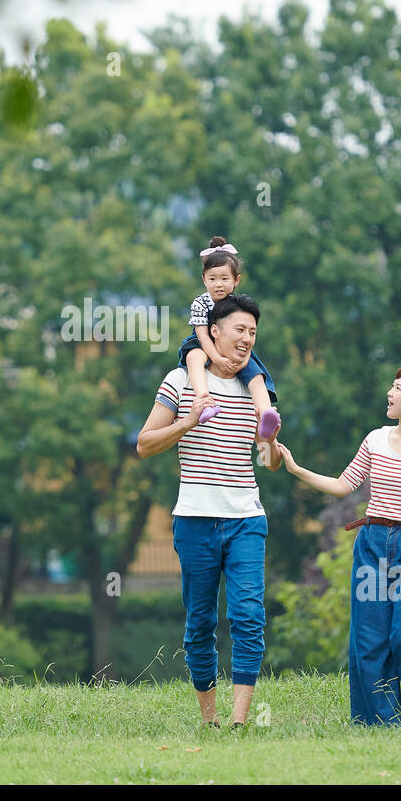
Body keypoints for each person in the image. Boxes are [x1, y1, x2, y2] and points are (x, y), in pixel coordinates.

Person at [275, 366, 401, 727]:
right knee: (370, 639)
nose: (389, 392)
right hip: (372, 544)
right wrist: (295, 469)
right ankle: (384, 723)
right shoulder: (375, 439)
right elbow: (344, 484)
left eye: (398, 387)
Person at [137, 294, 281, 729]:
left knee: (248, 616)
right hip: (195, 518)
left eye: (253, 333)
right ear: (213, 331)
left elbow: (269, 463)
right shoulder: (180, 380)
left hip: (246, 518)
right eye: (240, 329)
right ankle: (210, 720)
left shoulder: (258, 387)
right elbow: (144, 444)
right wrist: (186, 422)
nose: (247, 339)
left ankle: (239, 721)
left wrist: (271, 445)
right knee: (200, 622)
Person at [180, 236, 282, 467]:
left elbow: (243, 334)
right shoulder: (200, 303)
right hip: (202, 342)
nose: (218, 284)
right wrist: (215, 357)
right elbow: (203, 334)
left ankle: (266, 413)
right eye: (213, 279)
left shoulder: (237, 304)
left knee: (256, 374)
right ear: (204, 279)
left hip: (232, 351)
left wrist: (240, 354)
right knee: (194, 357)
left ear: (236, 280)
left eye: (224, 279)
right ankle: (204, 400)